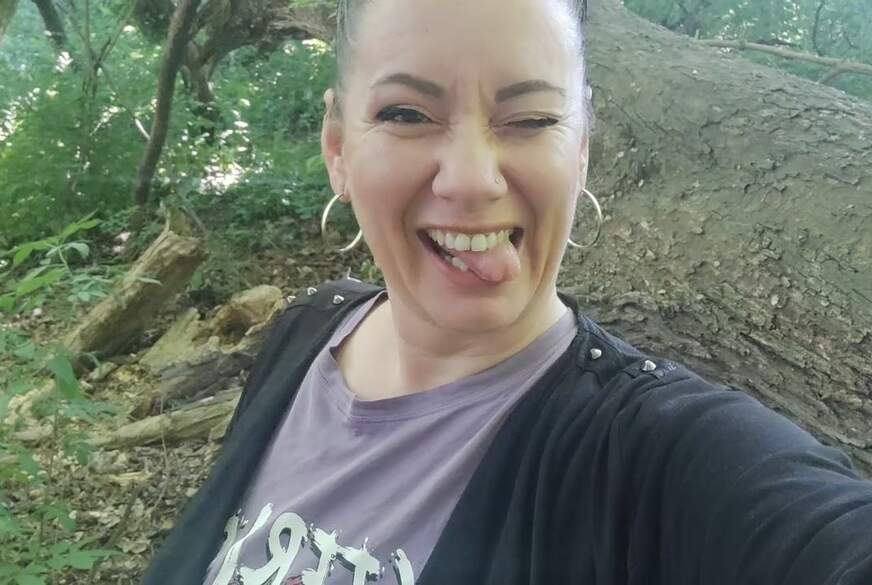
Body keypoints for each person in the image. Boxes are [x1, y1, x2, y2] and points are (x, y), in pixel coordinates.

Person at [143, 0, 872, 583]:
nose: (471, 179)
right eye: (406, 114)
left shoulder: (657, 452)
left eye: (531, 120)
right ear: (338, 147)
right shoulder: (304, 333)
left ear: (580, 150)